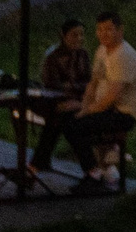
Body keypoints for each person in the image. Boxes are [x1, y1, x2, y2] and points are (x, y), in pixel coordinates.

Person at [57, 10, 136, 194]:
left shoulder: (124, 56)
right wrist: (83, 104)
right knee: (62, 117)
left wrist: (85, 111)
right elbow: (93, 83)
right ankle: (91, 170)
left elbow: (111, 98)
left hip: (122, 114)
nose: (103, 34)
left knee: (75, 125)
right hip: (106, 109)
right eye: (100, 29)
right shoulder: (102, 50)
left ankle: (93, 174)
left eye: (109, 29)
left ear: (120, 31)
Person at [29, 19, 91, 174]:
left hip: (76, 102)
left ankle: (35, 166)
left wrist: (77, 95)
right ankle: (91, 169)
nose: (79, 39)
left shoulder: (83, 55)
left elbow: (89, 82)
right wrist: (74, 89)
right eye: (74, 35)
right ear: (63, 36)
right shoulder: (53, 57)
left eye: (81, 35)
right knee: (59, 117)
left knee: (58, 120)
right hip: (54, 101)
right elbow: (52, 84)